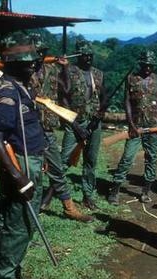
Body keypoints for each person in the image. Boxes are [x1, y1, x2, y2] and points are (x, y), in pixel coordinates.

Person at [0, 33, 44, 279]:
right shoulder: (9, 93)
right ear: (14, 64)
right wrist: (19, 177)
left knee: (26, 224)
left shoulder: (21, 86)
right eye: (27, 61)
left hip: (31, 161)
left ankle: (12, 270)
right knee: (18, 228)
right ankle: (5, 277)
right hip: (22, 164)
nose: (33, 64)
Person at [30, 36, 93, 222]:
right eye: (36, 52)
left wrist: (65, 67)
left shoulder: (51, 69)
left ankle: (69, 208)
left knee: (57, 168)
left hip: (47, 128)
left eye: (42, 52)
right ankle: (31, 210)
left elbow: (66, 89)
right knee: (32, 172)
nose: (40, 55)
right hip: (29, 129)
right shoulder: (24, 72)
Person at [108, 50, 157, 205]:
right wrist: (131, 124)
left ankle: (146, 191)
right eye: (145, 65)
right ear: (141, 64)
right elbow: (126, 101)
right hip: (136, 126)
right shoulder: (131, 78)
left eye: (150, 65)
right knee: (127, 157)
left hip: (154, 126)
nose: (147, 68)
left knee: (151, 158)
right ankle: (115, 189)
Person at [59, 40, 106, 210]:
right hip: (74, 121)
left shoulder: (98, 74)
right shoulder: (69, 71)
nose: (87, 58)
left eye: (90, 55)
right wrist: (74, 125)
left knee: (90, 161)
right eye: (84, 55)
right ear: (78, 56)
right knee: (63, 160)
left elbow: (104, 97)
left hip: (94, 122)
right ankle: (54, 193)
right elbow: (63, 97)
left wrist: (100, 115)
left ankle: (88, 196)